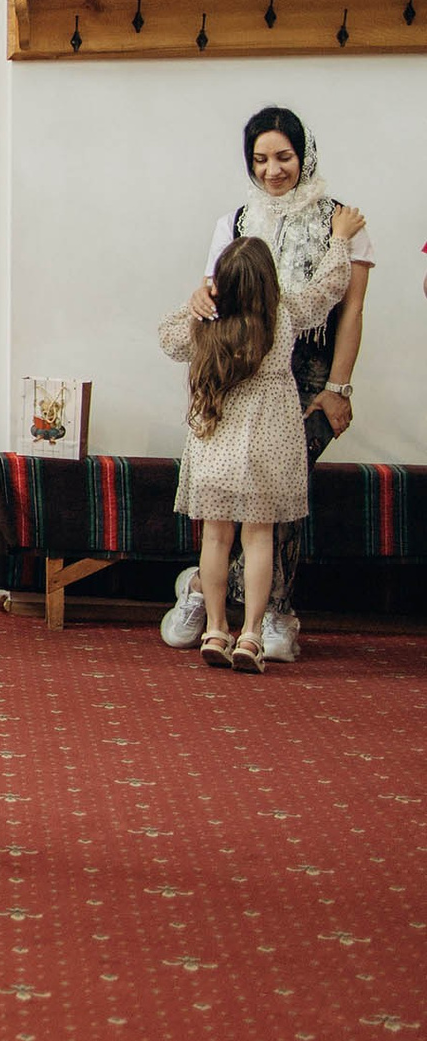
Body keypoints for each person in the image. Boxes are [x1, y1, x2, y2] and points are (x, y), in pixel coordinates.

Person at [161, 107, 374, 661]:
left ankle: (245, 613)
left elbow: (348, 309)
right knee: (259, 521)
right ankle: (246, 619)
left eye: (283, 157)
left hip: (289, 392)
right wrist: (196, 300)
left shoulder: (338, 218)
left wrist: (338, 388)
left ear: (304, 155)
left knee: (247, 519)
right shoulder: (271, 289)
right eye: (259, 159)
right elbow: (314, 290)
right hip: (259, 406)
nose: (272, 170)